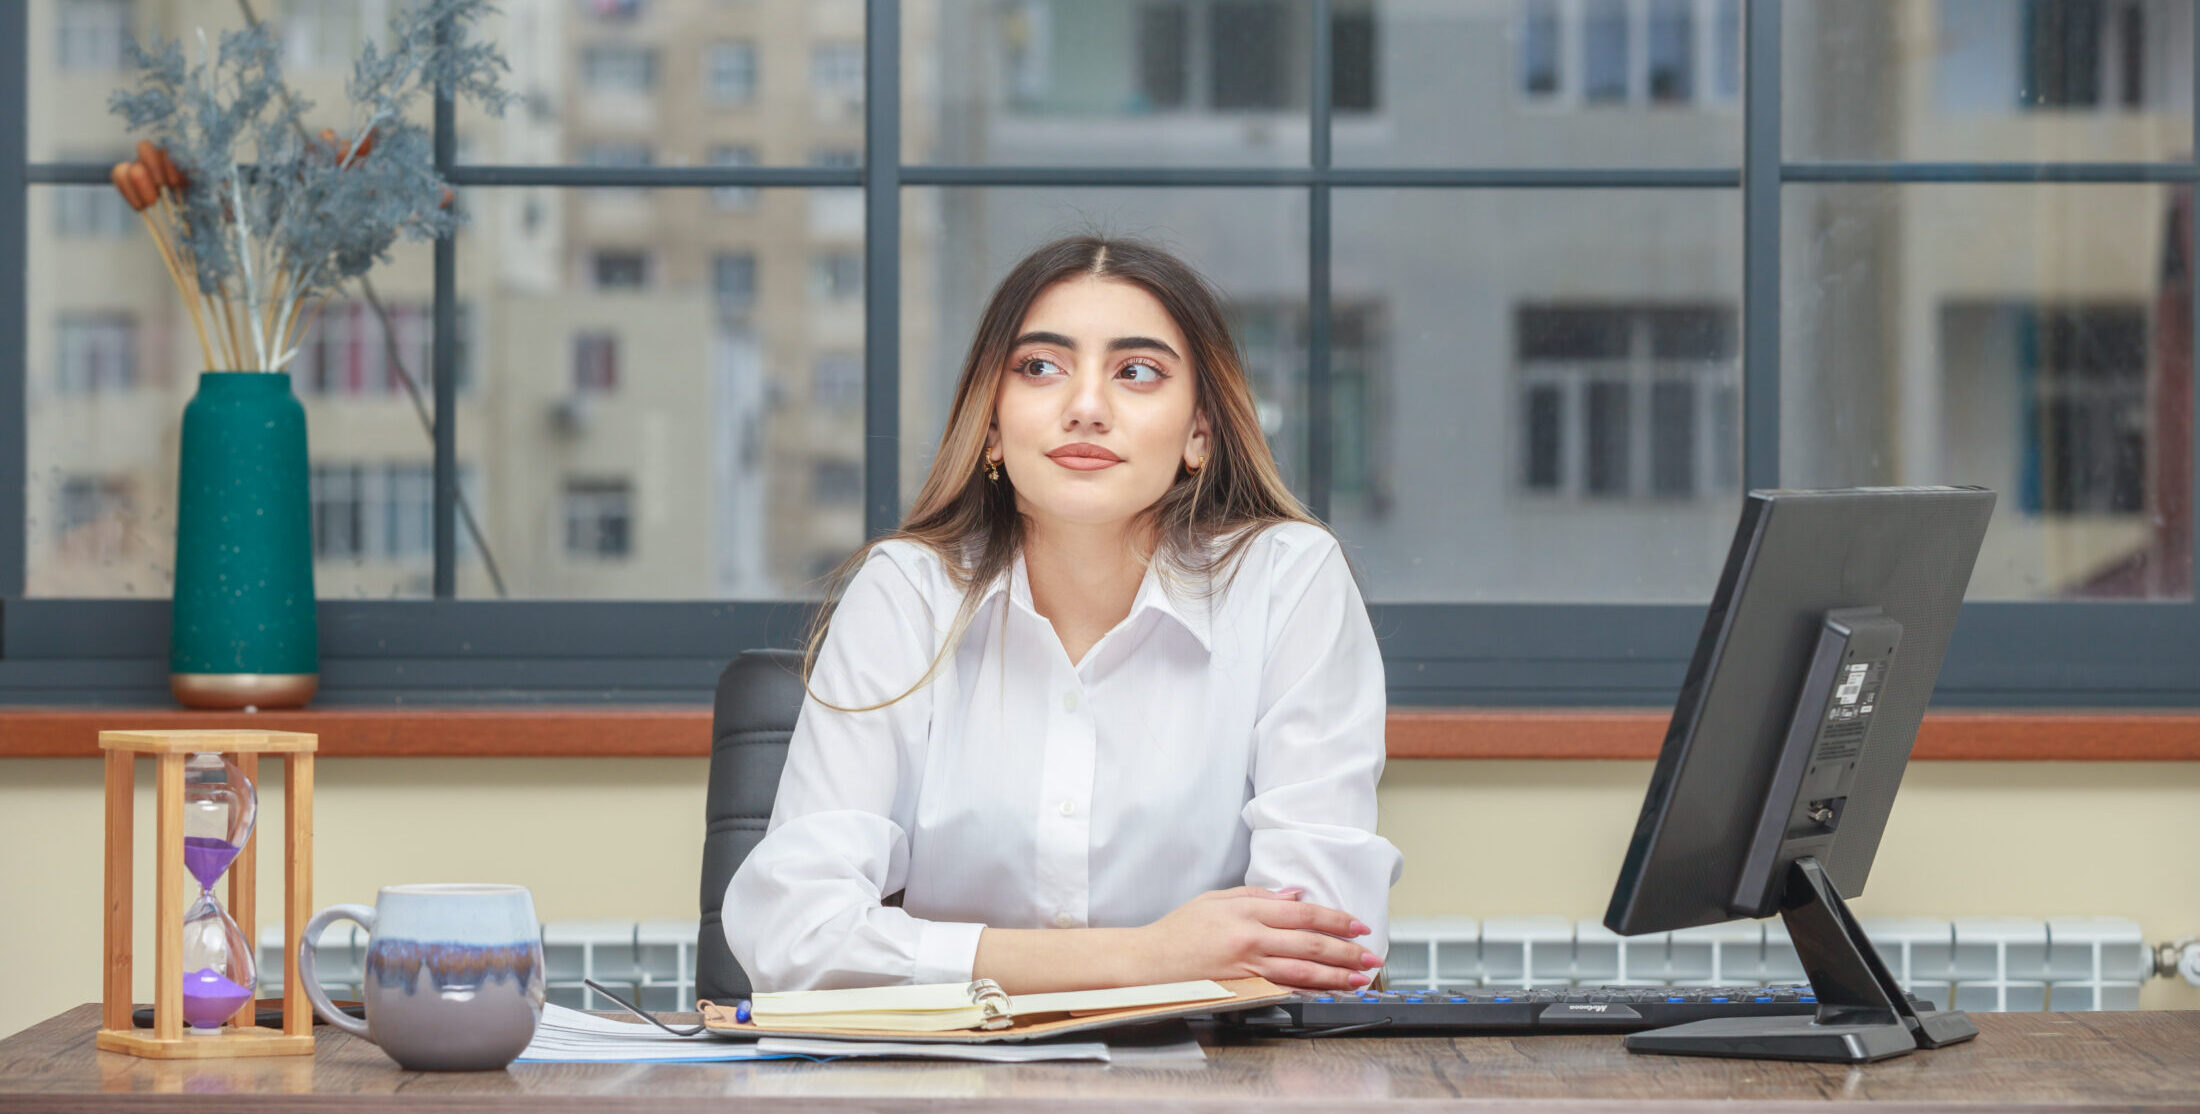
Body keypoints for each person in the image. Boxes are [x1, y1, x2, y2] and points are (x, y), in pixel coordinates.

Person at [726, 235, 1402, 995]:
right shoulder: (906, 592)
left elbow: (1323, 949)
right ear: (990, 423)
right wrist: (1150, 958)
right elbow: (793, 934)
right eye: (1041, 368)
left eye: (1137, 372)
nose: (1085, 408)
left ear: (1199, 434)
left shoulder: (1287, 580)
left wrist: (954, 963)